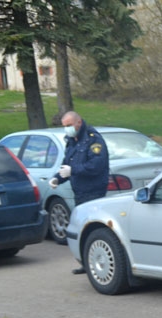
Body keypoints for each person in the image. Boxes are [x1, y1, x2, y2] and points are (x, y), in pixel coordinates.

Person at [48, 111, 110, 274]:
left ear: (79, 123)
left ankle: (94, 262)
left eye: (69, 125)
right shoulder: (71, 141)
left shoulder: (93, 139)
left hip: (94, 191)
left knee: (92, 229)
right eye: (64, 126)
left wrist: (72, 170)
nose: (67, 129)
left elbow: (96, 165)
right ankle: (86, 262)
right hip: (80, 192)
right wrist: (57, 178)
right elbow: (67, 164)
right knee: (82, 228)